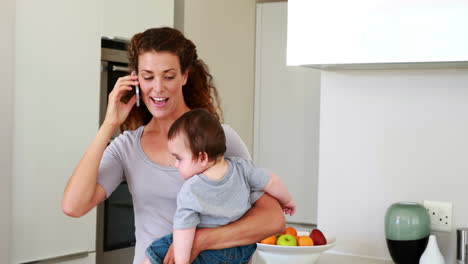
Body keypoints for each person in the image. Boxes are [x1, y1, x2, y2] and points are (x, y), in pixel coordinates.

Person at [61, 27, 285, 264]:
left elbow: (272, 218)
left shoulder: (219, 138)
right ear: (136, 79)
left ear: (184, 76)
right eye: (148, 77)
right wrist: (109, 124)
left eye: (168, 76)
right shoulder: (126, 147)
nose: (158, 88)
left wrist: (199, 241)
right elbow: (74, 206)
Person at [143, 109, 296, 264]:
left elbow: (184, 230)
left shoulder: (191, 190)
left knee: (157, 250)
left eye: (179, 158)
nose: (176, 164)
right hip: (243, 249)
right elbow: (272, 181)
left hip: (210, 253)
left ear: (202, 157)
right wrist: (287, 201)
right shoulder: (242, 168)